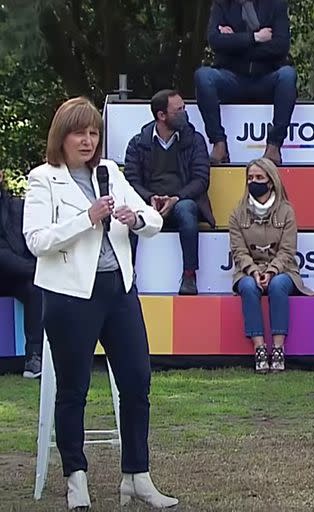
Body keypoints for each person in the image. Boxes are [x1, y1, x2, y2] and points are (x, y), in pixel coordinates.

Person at [22, 97, 177, 509]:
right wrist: (86, 218)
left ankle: (137, 475)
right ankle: (76, 477)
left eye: (94, 132)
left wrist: (138, 218)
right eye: (80, 133)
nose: (88, 141)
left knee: (137, 380)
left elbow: (154, 219)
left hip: (118, 290)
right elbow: (36, 241)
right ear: (63, 136)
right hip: (70, 296)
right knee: (74, 389)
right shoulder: (43, 178)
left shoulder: (110, 172)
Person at [229, 157, 314, 373]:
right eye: (250, 178)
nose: (254, 182)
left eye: (259, 177)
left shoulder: (286, 211)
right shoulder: (237, 213)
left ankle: (278, 348)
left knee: (278, 285)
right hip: (248, 270)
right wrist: (253, 270)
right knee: (249, 287)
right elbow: (238, 251)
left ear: (271, 182)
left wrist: (271, 271)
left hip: (283, 270)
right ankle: (259, 348)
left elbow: (288, 250)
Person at [124, 89, 214, 296]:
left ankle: (190, 276)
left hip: (182, 202)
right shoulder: (137, 144)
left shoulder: (195, 140)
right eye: (178, 110)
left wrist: (176, 198)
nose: (184, 113)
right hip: (148, 204)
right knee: (129, 214)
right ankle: (128, 274)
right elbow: (131, 181)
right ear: (161, 116)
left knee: (186, 209)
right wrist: (149, 198)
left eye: (184, 108)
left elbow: (201, 179)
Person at [194, 0, 297, 165]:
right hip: (231, 78)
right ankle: (219, 144)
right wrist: (255, 38)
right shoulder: (222, 5)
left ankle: (274, 146)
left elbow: (280, 46)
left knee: (287, 75)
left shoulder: (276, 4)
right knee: (203, 76)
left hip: (266, 77)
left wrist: (234, 42)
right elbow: (215, 41)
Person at [0, 169, 42, 378]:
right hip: (14, 268)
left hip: (19, 275)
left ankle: (34, 357)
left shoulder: (19, 206)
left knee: (34, 288)